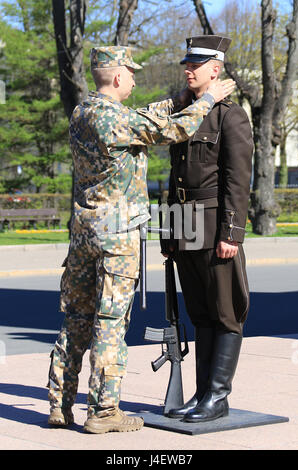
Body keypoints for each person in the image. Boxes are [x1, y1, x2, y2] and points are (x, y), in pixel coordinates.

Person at [47, 45, 235, 434]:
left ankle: (60, 404)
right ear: (118, 78)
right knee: (110, 322)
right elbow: (174, 131)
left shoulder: (83, 113)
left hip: (83, 233)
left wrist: (177, 100)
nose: (134, 79)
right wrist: (209, 99)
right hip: (115, 236)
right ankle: (103, 412)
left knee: (75, 320)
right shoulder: (115, 119)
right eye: (131, 73)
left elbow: (142, 118)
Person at [162, 35, 253, 422]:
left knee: (225, 312)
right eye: (187, 64)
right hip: (185, 225)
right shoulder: (188, 111)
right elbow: (174, 176)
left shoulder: (229, 115)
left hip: (215, 223)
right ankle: (201, 395)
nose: (188, 69)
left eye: (195, 65)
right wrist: (169, 232)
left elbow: (237, 179)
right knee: (200, 313)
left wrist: (231, 234)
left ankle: (218, 396)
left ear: (214, 70)